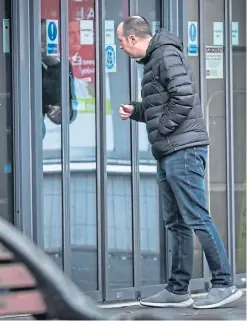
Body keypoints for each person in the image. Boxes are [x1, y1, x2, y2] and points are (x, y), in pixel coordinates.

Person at [117, 16, 243, 309]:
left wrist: (161, 126)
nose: (121, 48)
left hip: (183, 149)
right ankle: (178, 289)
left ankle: (224, 283)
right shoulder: (154, 59)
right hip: (171, 149)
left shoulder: (165, 54)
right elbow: (164, 102)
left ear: (133, 39)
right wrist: (137, 110)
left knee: (196, 216)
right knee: (176, 221)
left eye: (122, 42)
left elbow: (184, 97)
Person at [41, 18, 77, 139]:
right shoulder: (12, 64)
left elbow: (68, 110)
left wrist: (60, 109)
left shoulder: (58, 68)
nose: (43, 46)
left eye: (47, 42)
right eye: (41, 41)